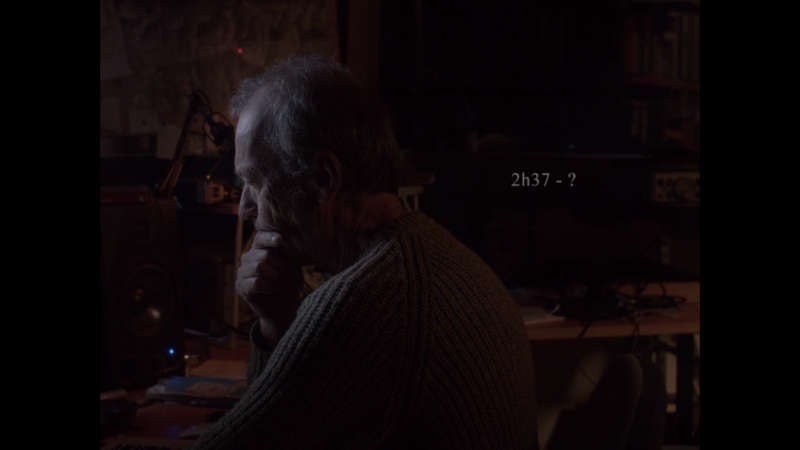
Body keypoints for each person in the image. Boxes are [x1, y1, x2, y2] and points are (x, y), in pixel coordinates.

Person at [192, 55, 538, 450]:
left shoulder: (363, 303)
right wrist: (275, 322)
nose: (245, 209)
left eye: (254, 182)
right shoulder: (436, 256)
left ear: (324, 180)